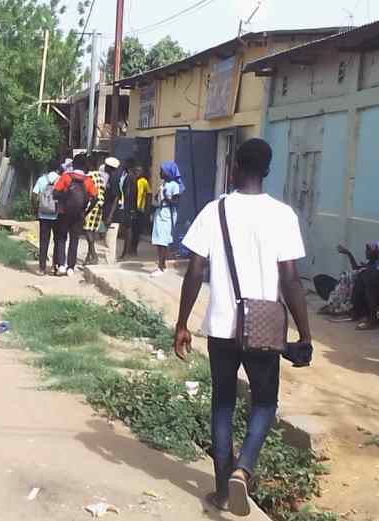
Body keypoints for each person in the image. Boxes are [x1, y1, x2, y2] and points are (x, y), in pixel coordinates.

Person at [173, 138, 312, 516]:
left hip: (221, 327)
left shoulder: (215, 211)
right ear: (267, 169)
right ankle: (244, 467)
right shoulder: (283, 215)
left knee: (222, 403)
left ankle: (222, 491)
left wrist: (182, 322)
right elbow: (291, 280)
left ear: (235, 165)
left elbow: (195, 270)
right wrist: (305, 333)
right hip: (265, 329)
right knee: (265, 402)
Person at [53, 153, 98, 277]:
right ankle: (70, 267)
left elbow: (55, 193)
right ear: (85, 166)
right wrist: (86, 211)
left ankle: (61, 264)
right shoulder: (88, 180)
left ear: (73, 164)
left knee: (62, 238)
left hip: (64, 213)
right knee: (74, 240)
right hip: (79, 214)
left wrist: (64, 197)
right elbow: (95, 198)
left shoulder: (66, 177)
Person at [322, 242, 379, 329]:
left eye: (369, 250)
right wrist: (348, 254)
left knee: (367, 278)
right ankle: (357, 313)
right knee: (361, 277)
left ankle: (372, 319)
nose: (366, 252)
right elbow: (356, 268)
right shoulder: (373, 263)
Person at [151, 161, 182, 276]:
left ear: (168, 172)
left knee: (163, 241)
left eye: (162, 171)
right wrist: (159, 194)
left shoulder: (174, 185)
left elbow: (176, 201)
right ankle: (161, 264)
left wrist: (165, 198)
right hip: (160, 211)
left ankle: (161, 266)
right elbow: (156, 197)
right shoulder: (163, 184)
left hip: (167, 213)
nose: (160, 173)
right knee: (158, 240)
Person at [32, 162, 61, 275]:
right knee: (58, 241)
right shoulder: (60, 180)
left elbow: (34, 195)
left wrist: (35, 209)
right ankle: (55, 266)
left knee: (44, 241)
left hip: (43, 215)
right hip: (57, 216)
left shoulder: (41, 179)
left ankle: (42, 268)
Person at [83, 155, 106, 265]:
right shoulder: (99, 176)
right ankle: (89, 257)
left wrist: (85, 209)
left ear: (88, 164)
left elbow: (88, 193)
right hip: (100, 205)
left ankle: (94, 255)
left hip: (91, 205)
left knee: (87, 231)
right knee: (91, 231)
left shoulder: (89, 177)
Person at [130, 166, 152, 255]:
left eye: (140, 171)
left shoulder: (144, 181)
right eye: (137, 171)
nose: (138, 172)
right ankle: (129, 248)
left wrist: (147, 208)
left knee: (136, 230)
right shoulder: (132, 180)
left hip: (139, 209)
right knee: (130, 229)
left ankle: (134, 249)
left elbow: (149, 194)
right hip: (131, 208)